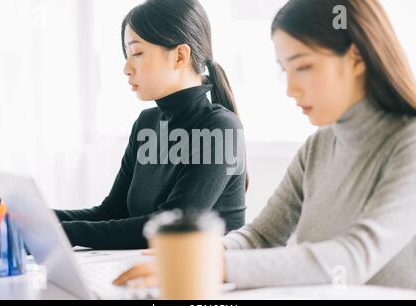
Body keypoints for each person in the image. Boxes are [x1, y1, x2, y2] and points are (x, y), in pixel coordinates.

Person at [115, 0, 416, 289]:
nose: (290, 89)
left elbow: (351, 257)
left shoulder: (408, 143)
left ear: (356, 58)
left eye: (304, 67)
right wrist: (199, 254)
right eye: (284, 70)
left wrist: (211, 266)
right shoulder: (317, 149)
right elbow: (260, 236)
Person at [54, 0, 247, 250]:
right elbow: (113, 211)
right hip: (149, 268)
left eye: (136, 53)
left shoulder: (220, 129)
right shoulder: (147, 123)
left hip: (200, 278)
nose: (126, 68)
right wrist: (35, 220)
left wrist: (60, 234)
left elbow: (171, 228)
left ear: (180, 55)